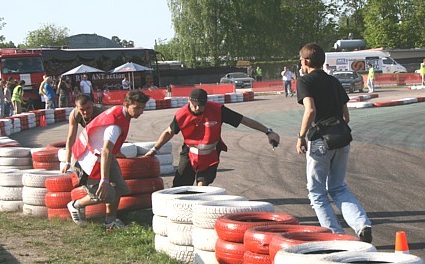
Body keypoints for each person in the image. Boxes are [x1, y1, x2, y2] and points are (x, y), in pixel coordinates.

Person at [296, 43, 372, 243]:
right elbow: (346, 116)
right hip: (341, 137)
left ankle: (335, 236)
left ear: (305, 61)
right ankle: (362, 224)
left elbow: (310, 110)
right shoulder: (334, 81)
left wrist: (300, 136)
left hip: (320, 140)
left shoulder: (305, 81)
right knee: (338, 187)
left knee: (316, 192)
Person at [145, 88, 280, 187]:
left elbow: (244, 120)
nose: (197, 108)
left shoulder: (218, 110)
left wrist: (268, 132)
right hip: (190, 152)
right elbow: (169, 132)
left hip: (211, 153)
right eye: (194, 105)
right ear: (188, 101)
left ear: (207, 103)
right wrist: (154, 149)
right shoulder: (181, 115)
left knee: (202, 185)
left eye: (201, 106)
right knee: (180, 186)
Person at [67, 91, 150, 229]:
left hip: (102, 156)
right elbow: (105, 150)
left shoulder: (120, 112)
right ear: (126, 104)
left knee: (120, 188)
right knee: (107, 194)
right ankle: (76, 205)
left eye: (142, 108)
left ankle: (110, 222)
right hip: (86, 161)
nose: (141, 111)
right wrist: (104, 180)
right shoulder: (115, 126)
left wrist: (117, 152)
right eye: (137, 108)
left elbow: (107, 148)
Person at [61, 94, 107, 174]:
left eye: (88, 108)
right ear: (77, 108)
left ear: (92, 104)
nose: (85, 112)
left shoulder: (102, 112)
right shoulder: (74, 114)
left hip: (102, 132)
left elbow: (111, 134)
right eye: (82, 110)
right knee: (76, 160)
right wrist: (67, 162)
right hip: (88, 133)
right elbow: (71, 139)